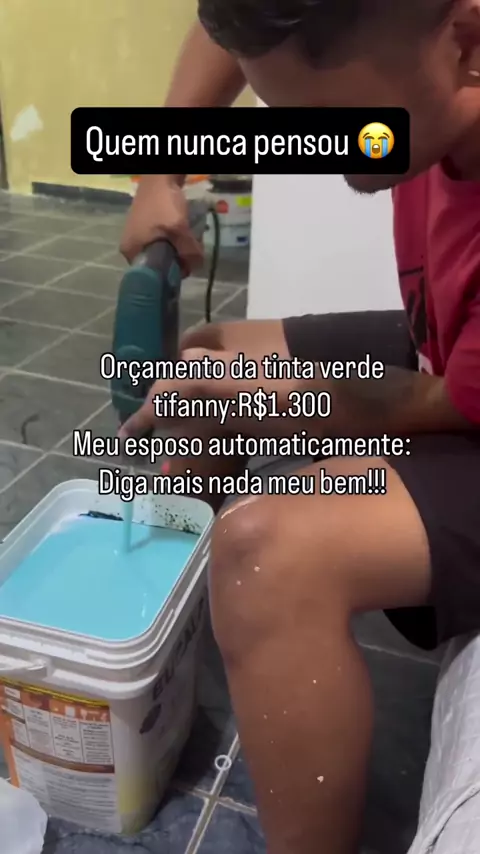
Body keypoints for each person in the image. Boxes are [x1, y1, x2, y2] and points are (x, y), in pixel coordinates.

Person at [119, 3, 480, 852]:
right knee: (211, 355)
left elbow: (454, 403)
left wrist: (272, 396)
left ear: (467, 43)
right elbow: (236, 29)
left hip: (466, 396)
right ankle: (152, 631)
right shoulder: (418, 58)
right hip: (454, 352)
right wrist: (157, 175)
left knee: (267, 553)